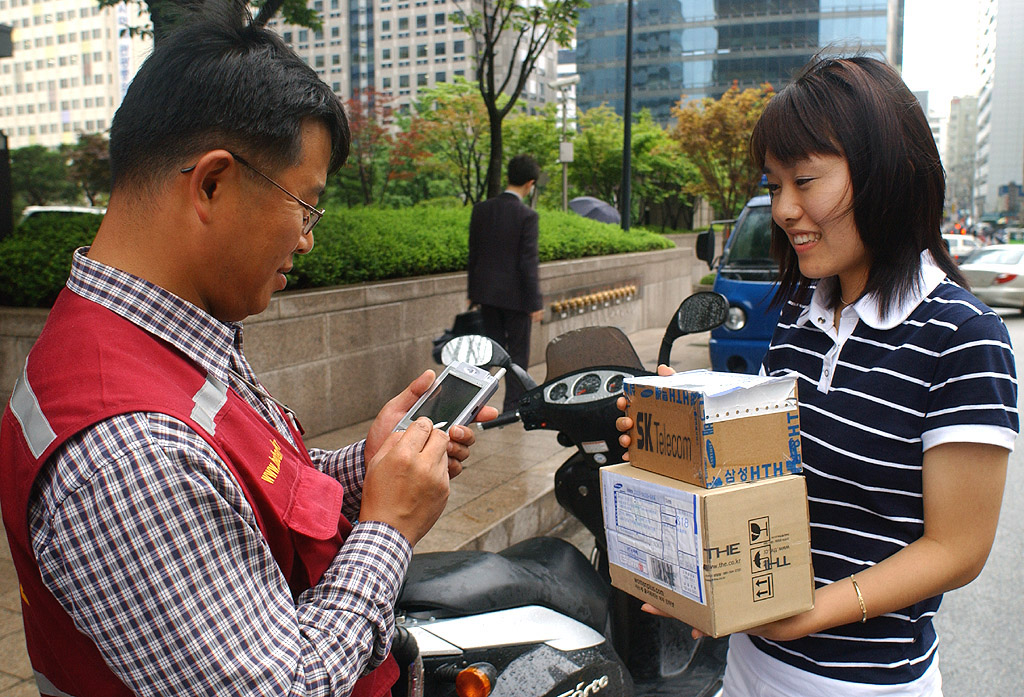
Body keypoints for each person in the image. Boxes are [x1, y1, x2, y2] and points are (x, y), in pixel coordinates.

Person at [0, 7, 494, 696]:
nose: (307, 239)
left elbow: (246, 486)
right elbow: (285, 685)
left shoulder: (148, 335)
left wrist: (370, 465)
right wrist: (388, 525)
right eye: (306, 204)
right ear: (212, 183)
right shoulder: (127, 453)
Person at [616, 55, 1017, 696]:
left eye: (804, 181)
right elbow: (770, 478)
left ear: (887, 177)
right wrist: (677, 441)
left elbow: (957, 549)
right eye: (775, 186)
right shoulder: (804, 310)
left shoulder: (963, 336)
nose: (784, 209)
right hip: (748, 671)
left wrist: (809, 616)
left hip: (862, 684)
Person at [467, 154, 544, 411]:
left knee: (487, 352)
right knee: (517, 355)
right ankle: (513, 406)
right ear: (529, 183)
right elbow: (527, 263)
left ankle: (474, 405)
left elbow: (474, 254)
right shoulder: (527, 216)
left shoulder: (482, 209)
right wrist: (535, 303)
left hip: (487, 296)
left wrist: (473, 293)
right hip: (517, 298)